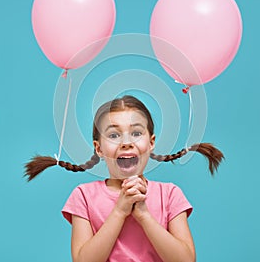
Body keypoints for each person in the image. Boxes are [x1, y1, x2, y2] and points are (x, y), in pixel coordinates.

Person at [25, 95, 224, 262]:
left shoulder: (170, 194)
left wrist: (144, 216)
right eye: (113, 135)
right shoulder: (83, 196)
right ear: (99, 148)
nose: (126, 142)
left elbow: (186, 260)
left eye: (136, 133)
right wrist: (120, 210)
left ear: (151, 142)